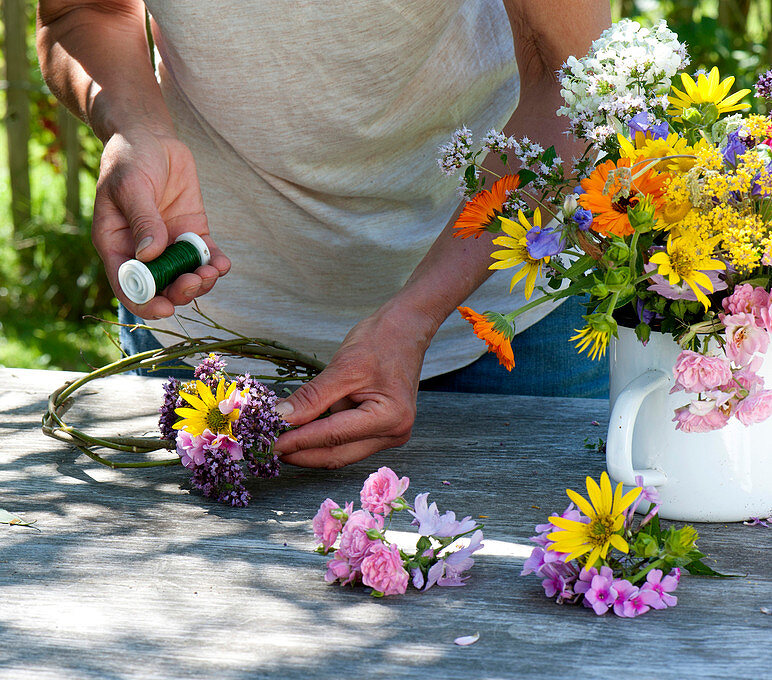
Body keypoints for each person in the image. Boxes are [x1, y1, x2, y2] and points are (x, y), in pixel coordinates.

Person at [36, 0, 613, 469]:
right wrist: (133, 127)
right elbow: (82, 11)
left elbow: (572, 84)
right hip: (204, 329)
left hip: (503, 313)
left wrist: (415, 315)